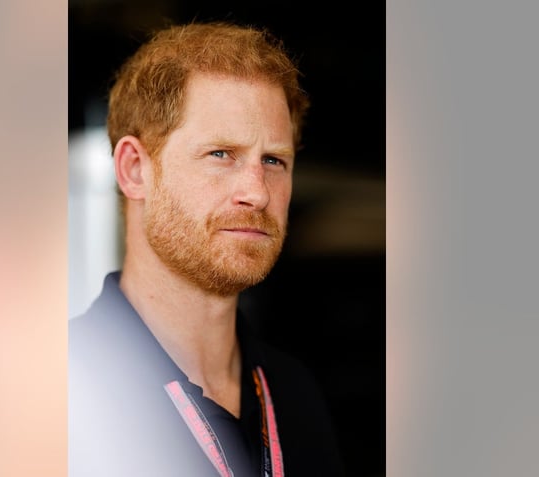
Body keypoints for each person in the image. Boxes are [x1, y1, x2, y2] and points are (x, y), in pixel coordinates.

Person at [69, 21, 347, 477]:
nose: (257, 192)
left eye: (274, 161)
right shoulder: (53, 394)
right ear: (135, 170)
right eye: (221, 154)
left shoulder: (295, 393)